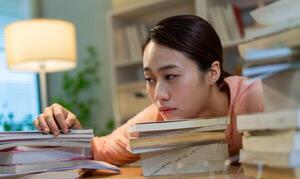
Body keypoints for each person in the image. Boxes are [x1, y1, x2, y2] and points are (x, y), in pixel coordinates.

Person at [34, 15, 264, 165]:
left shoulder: (259, 100)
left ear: (212, 73)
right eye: (150, 79)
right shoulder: (158, 116)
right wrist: (69, 130)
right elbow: (99, 151)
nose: (159, 95)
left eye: (171, 76)